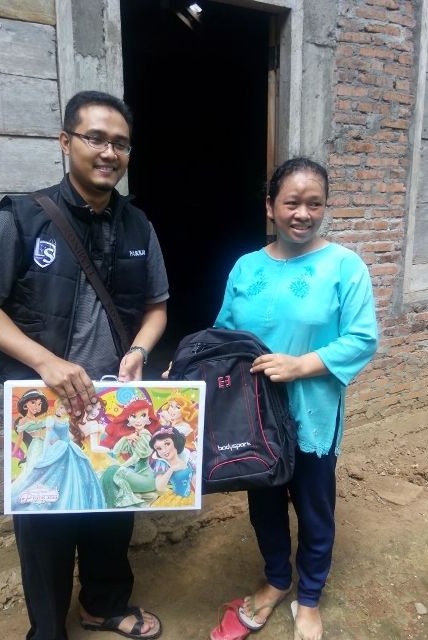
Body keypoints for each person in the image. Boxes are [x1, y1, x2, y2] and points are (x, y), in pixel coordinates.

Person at [0, 90, 168, 640]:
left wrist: (138, 351)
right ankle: (47, 631)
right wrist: (46, 363)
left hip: (109, 402)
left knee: (111, 512)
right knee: (45, 526)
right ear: (65, 141)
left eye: (120, 143)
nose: (109, 152)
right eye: (95, 138)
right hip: (43, 407)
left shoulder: (138, 226)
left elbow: (157, 308)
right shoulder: (23, 217)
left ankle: (103, 605)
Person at [212, 158, 378, 640]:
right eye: (291, 202)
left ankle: (309, 597)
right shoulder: (246, 266)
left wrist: (299, 365)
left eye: (314, 204)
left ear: (324, 208)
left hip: (313, 413)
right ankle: (277, 579)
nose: (303, 213)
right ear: (270, 206)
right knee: (264, 504)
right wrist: (189, 370)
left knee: (313, 508)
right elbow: (224, 333)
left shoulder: (344, 266)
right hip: (254, 415)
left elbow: (362, 338)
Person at [149, 426, 196, 507]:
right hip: (174, 499)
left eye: (167, 444)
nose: (164, 450)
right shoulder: (162, 463)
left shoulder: (187, 459)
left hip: (191, 497)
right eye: (159, 448)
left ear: (175, 442)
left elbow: (195, 481)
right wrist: (171, 469)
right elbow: (159, 487)